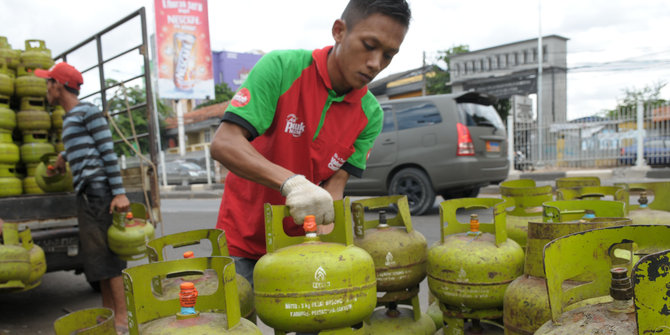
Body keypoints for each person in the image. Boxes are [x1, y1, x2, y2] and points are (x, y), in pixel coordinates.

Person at [210, 0, 411, 286]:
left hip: (307, 245)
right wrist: (292, 183)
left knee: (318, 322)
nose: (376, 63)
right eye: (369, 45)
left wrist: (333, 234)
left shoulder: (370, 115)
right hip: (243, 239)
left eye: (388, 55)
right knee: (236, 327)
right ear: (339, 31)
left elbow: (336, 187)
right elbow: (224, 143)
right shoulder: (281, 68)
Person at [35, 62, 130, 333]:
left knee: (109, 258)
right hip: (87, 194)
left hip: (99, 192)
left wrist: (119, 192)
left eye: (48, 83)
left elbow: (107, 151)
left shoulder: (87, 112)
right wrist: (63, 158)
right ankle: (108, 314)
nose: (46, 89)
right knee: (97, 259)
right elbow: (81, 145)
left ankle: (122, 320)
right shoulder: (70, 119)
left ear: (57, 85)